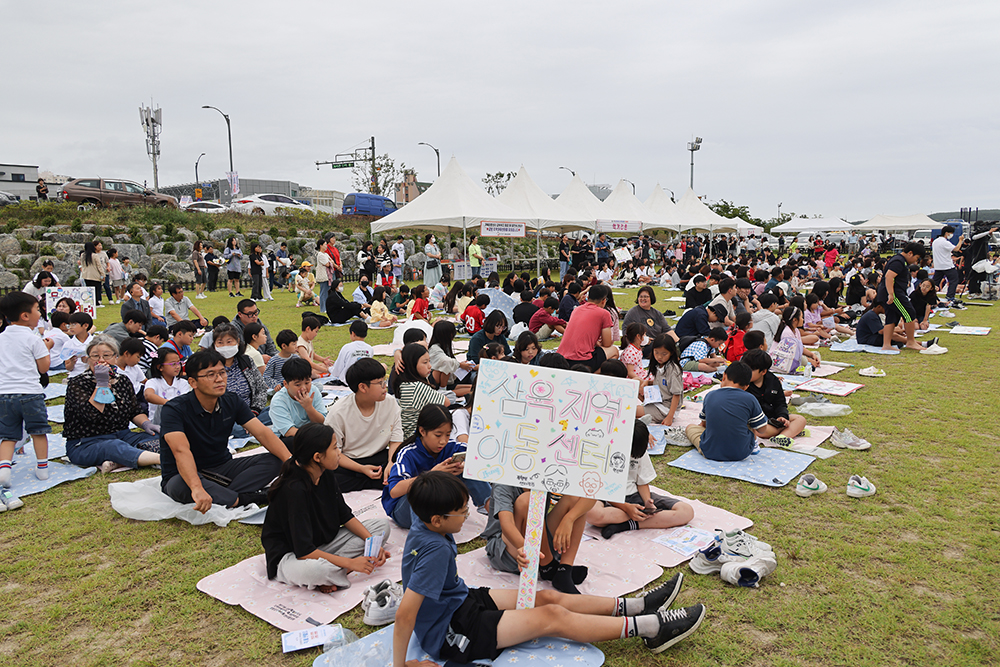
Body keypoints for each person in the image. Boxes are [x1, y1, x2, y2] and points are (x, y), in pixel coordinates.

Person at [394, 471, 705, 667]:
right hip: (451, 630)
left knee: (545, 598)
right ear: (437, 519)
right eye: (461, 512)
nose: (466, 516)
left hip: (458, 604)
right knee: (552, 617)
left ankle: (636, 605)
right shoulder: (434, 549)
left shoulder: (428, 530)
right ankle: (651, 628)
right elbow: (406, 612)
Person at [261, 423, 390, 593]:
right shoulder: (294, 490)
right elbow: (304, 551)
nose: (339, 453)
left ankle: (336, 572)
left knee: (381, 527)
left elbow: (345, 515)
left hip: (323, 544)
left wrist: (372, 542)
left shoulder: (326, 474)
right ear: (317, 457)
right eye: (335, 448)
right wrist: (351, 563)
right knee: (317, 571)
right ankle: (337, 571)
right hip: (293, 556)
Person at [160, 350, 290, 510]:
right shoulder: (174, 410)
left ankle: (225, 496)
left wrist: (292, 463)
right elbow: (180, 451)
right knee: (179, 485)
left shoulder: (231, 400)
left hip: (223, 467)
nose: (219, 379)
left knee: (276, 460)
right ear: (193, 382)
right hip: (185, 473)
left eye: (222, 373)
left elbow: (262, 433)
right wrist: (197, 488)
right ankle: (246, 498)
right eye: (210, 375)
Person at [63, 336, 161, 473]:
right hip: (87, 442)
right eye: (95, 356)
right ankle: (160, 459)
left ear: (115, 357)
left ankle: (120, 461)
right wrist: (101, 384)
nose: (101, 360)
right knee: (113, 446)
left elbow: (134, 411)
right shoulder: (78, 383)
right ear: (88, 359)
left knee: (159, 436)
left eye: (107, 355)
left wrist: (147, 424)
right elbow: (92, 414)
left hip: (122, 435)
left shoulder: (123, 380)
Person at [382, 404, 490, 528]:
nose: (443, 441)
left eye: (448, 434)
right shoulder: (408, 453)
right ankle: (422, 535)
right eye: (438, 435)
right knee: (425, 488)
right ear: (422, 431)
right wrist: (431, 475)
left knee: (466, 469)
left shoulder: (451, 447)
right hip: (405, 511)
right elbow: (394, 490)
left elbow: (479, 454)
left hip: (436, 509)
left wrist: (465, 465)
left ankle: (496, 516)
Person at [586, 420, 695, 538]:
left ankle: (627, 524)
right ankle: (638, 517)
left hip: (634, 496)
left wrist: (648, 501)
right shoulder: (604, 452)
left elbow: (642, 482)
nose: (633, 457)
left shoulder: (640, 450)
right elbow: (602, 489)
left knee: (686, 511)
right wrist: (626, 508)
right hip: (608, 498)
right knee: (592, 514)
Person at [325, 358, 403, 491]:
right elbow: (335, 453)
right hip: (349, 461)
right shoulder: (338, 413)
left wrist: (391, 462)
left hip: (379, 457)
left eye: (384, 380)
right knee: (328, 479)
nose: (385, 386)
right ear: (362, 387)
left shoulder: (390, 403)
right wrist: (361, 469)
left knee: (404, 467)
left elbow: (396, 439)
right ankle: (370, 481)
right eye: (380, 383)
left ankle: (370, 480)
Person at [0, 293, 51, 488]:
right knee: (38, 431)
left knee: (7, 435)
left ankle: (4, 469)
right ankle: (43, 468)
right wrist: (47, 348)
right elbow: (44, 368)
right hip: (30, 393)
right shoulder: (33, 338)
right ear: (25, 315)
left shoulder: (1, 338)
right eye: (37, 309)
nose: (40, 313)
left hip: (4, 394)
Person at [684, 361, 769, 461]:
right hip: (741, 452)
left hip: (710, 452)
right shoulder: (750, 399)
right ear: (746, 386)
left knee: (690, 427)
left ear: (724, 376)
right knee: (752, 421)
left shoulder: (710, 396)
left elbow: (704, 425)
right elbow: (762, 429)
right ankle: (754, 446)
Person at [212, 323, 271, 432]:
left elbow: (261, 388)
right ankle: (252, 428)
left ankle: (251, 427)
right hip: (225, 417)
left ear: (238, 342)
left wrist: (253, 414)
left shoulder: (246, 361)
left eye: (229, 342)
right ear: (214, 345)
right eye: (220, 343)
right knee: (234, 428)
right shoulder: (210, 367)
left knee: (275, 410)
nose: (225, 346)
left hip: (252, 413)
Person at [741, 349, 806, 446]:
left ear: (763, 371)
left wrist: (782, 417)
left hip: (772, 418)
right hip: (755, 422)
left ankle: (782, 437)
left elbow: (780, 403)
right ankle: (791, 432)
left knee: (800, 419)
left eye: (750, 370)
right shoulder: (741, 383)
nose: (746, 373)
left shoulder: (773, 381)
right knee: (760, 431)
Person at [876, 242, 926, 351]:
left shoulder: (899, 260)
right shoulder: (898, 261)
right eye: (916, 258)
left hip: (891, 292)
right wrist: (891, 294)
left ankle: (886, 345)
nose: (916, 261)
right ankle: (911, 341)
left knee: (892, 317)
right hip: (894, 293)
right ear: (910, 253)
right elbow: (889, 276)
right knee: (909, 313)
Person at [558, 285, 620, 372]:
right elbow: (607, 344)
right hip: (582, 360)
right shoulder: (604, 313)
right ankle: (593, 375)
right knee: (614, 351)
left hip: (562, 359)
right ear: (604, 301)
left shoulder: (576, 310)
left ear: (587, 297)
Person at [269, 358, 328, 442]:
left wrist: (309, 407)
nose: (303, 388)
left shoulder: (313, 391)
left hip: (312, 432)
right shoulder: (279, 400)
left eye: (307, 383)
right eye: (298, 385)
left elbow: (322, 422)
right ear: (286, 384)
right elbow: (288, 431)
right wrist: (313, 436)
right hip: (290, 437)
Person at [643, 335, 684, 425]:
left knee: (632, 411)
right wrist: (647, 382)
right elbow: (659, 383)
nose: (659, 357)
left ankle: (648, 418)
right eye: (656, 352)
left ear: (671, 353)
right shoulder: (659, 365)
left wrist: (669, 417)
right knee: (638, 386)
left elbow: (676, 394)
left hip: (666, 408)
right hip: (658, 400)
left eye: (664, 354)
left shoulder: (673, 370)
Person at [144, 347, 190, 425]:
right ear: (160, 367)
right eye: (173, 364)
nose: (178, 367)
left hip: (179, 419)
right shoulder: (152, 382)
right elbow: (148, 395)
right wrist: (170, 404)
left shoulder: (183, 383)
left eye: (179, 363)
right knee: (162, 407)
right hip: (159, 422)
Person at [428, 320, 474, 390]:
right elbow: (447, 362)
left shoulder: (444, 346)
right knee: (447, 364)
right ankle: (443, 389)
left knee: (473, 388)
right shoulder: (434, 348)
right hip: (436, 382)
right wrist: (460, 365)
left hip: (450, 382)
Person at [932, 225, 963, 306]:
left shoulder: (935, 241)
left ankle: (930, 295)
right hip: (947, 265)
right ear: (946, 233)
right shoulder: (944, 242)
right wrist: (960, 240)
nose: (951, 235)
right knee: (954, 280)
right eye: (951, 233)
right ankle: (950, 296)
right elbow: (956, 249)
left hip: (938, 265)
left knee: (935, 282)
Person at [62, 312, 95, 378]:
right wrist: (72, 363)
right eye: (69, 325)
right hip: (75, 375)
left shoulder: (95, 342)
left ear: (85, 326)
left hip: (93, 374)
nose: (70, 327)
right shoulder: (68, 344)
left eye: (74, 324)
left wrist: (89, 360)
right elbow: (68, 368)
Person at [80, 241, 106, 306]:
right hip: (95, 275)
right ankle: (96, 302)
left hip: (86, 275)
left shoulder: (83, 255)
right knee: (97, 290)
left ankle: (90, 302)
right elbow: (99, 266)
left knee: (89, 290)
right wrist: (103, 275)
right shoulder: (95, 256)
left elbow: (82, 265)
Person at [315, 238, 333, 307]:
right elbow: (328, 264)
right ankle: (323, 307)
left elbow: (331, 261)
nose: (326, 246)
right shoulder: (320, 255)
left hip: (328, 275)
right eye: (325, 245)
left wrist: (330, 262)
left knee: (327, 292)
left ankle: (327, 306)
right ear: (321, 245)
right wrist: (330, 262)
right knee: (323, 292)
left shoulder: (325, 254)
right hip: (323, 275)